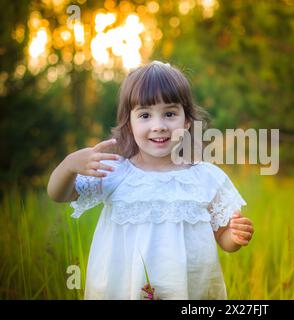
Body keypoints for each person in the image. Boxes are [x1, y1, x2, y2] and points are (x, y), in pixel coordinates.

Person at [47, 61, 254, 300]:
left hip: (188, 291)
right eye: (145, 115)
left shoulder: (206, 178)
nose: (159, 126)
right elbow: (59, 194)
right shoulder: (114, 171)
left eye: (169, 114)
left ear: (186, 120)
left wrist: (235, 237)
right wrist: (68, 165)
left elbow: (223, 238)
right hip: (123, 289)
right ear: (129, 122)